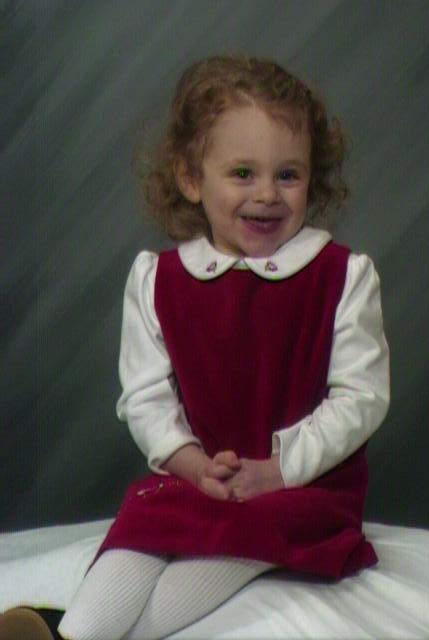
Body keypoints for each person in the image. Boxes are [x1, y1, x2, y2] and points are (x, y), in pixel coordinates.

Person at [56, 54, 390, 640]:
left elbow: (361, 398)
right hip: (201, 479)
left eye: (289, 174)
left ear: (312, 177)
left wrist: (278, 470)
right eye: (242, 173)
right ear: (191, 178)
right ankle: (67, 629)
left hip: (300, 490)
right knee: (142, 531)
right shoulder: (158, 280)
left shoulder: (341, 275)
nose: (267, 194)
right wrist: (192, 464)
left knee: (229, 544)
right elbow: (145, 399)